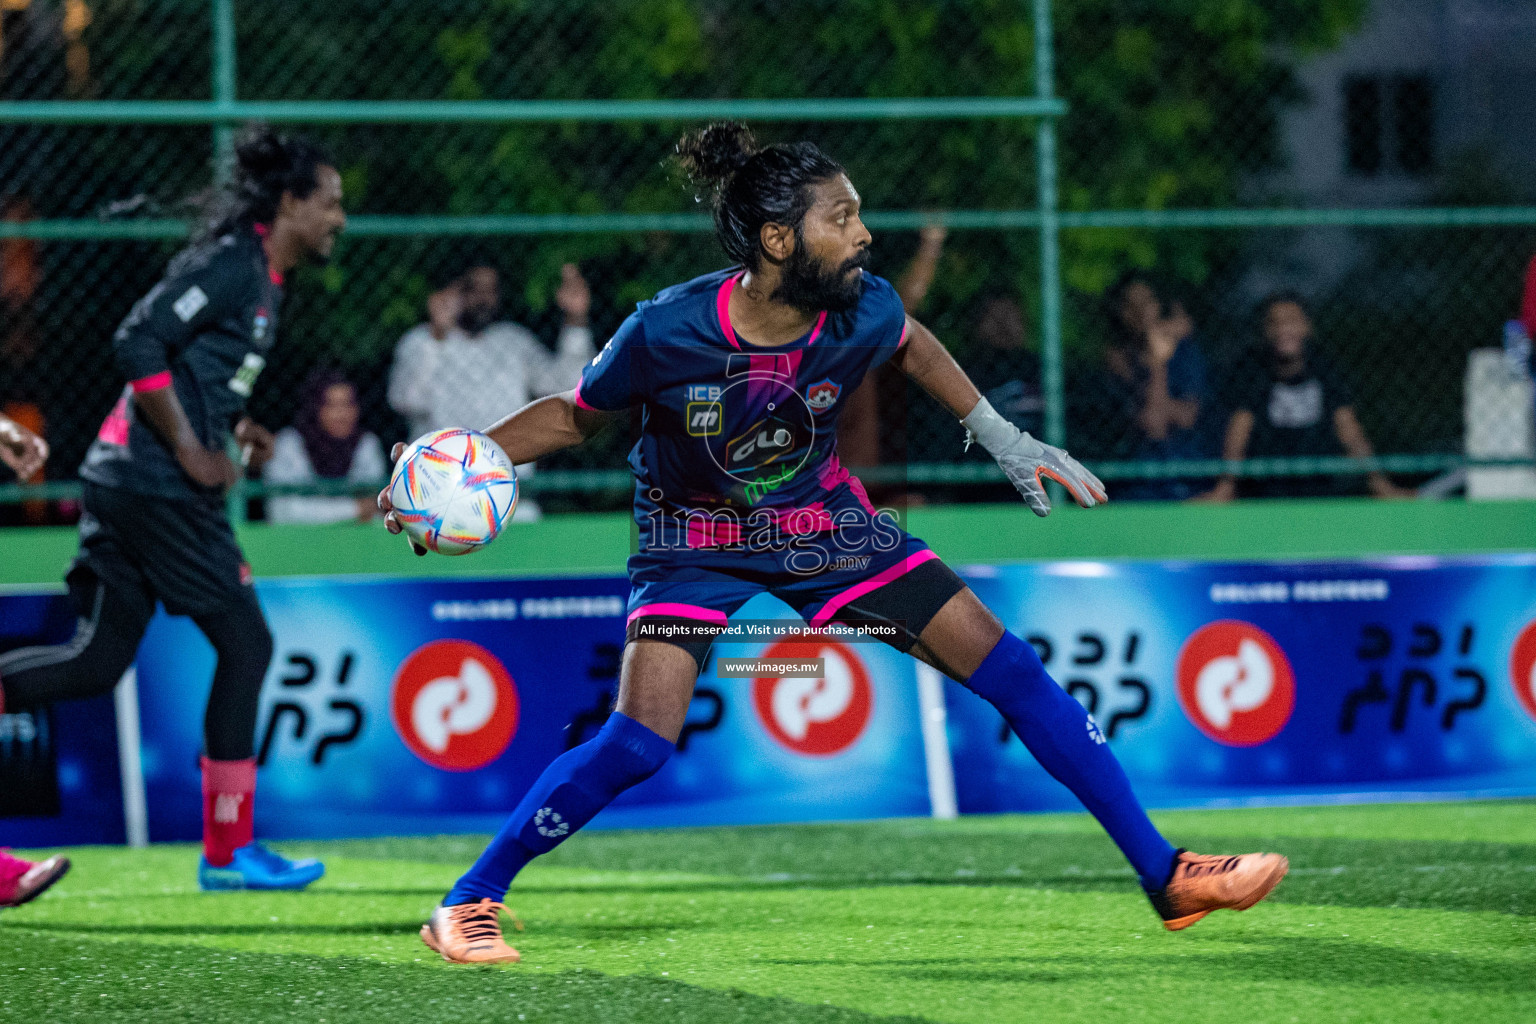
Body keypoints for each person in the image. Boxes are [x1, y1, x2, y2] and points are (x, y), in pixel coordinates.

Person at [380, 123, 1290, 964]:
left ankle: (1166, 875)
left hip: (825, 526)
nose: (864, 234)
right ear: (780, 241)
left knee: (1009, 667)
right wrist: (449, 475)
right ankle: (468, 899)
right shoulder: (665, 330)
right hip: (693, 543)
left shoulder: (863, 308)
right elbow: (574, 420)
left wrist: (1002, 435)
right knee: (638, 743)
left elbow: (915, 345)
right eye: (842, 217)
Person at [0, 127, 347, 891]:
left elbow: (191, 370)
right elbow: (139, 340)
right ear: (289, 203)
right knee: (247, 644)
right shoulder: (232, 265)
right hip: (156, 485)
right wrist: (193, 448)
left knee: (97, 662)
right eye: (329, 203)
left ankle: (229, 853)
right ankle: (228, 854)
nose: (339, 219)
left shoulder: (262, 280)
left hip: (131, 480)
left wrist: (229, 429)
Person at [387, 259, 595, 519]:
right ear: (448, 293)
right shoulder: (421, 341)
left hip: (510, 492)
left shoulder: (513, 341)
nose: (483, 298)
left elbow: (572, 388)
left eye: (491, 290)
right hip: (440, 494)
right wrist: (438, 337)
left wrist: (576, 320)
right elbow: (406, 401)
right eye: (472, 288)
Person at [1200, 291, 1409, 501]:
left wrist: (1378, 483)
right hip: (1266, 490)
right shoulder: (1251, 371)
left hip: (1321, 487)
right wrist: (1226, 486)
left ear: (1307, 327)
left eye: (1291, 321)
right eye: (1275, 323)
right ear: (1265, 331)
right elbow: (1239, 431)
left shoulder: (1325, 368)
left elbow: (1349, 430)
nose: (1283, 329)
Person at [1102, 272, 1211, 500]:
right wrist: (1157, 363)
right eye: (1130, 305)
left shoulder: (1186, 353)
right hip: (1134, 476)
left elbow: (1184, 417)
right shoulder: (1118, 360)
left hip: (1184, 470)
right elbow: (1154, 424)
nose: (1141, 311)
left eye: (1147, 302)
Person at [264, 369, 386, 525]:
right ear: (314, 408)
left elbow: (373, 513)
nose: (342, 415)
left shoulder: (366, 444)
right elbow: (285, 513)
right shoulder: (289, 444)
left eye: (348, 404)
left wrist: (321, 512)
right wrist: (354, 510)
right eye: (331, 406)